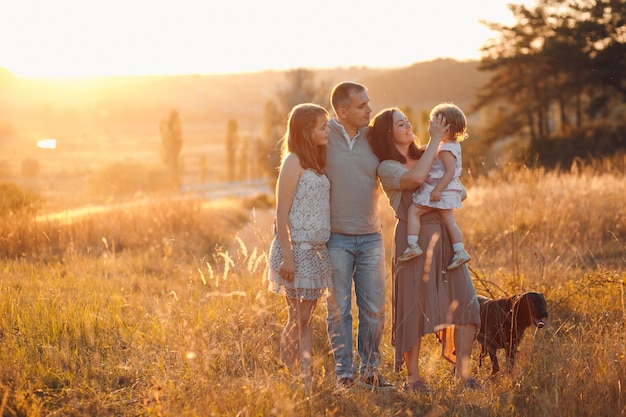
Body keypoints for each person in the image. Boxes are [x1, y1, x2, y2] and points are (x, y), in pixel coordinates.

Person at [367, 107, 481, 392]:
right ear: (387, 133)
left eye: (407, 121)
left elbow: (456, 184)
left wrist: (452, 188)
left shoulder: (428, 153)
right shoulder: (386, 167)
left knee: (466, 300)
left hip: (443, 235)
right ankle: (413, 378)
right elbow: (417, 179)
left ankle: (463, 373)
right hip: (412, 239)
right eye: (401, 123)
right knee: (412, 307)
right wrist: (434, 141)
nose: (408, 125)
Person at [324, 82, 393, 391]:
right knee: (338, 309)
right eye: (362, 106)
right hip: (335, 238)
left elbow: (404, 158)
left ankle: (370, 371)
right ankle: (345, 375)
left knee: (374, 310)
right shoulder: (323, 134)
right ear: (343, 111)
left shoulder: (375, 136)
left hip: (371, 237)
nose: (369, 109)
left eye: (369, 103)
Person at [267, 103, 333, 384]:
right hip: (295, 252)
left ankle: (307, 378)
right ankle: (289, 375)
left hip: (317, 253)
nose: (327, 131)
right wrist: (288, 258)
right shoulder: (293, 162)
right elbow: (281, 214)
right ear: (307, 131)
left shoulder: (316, 162)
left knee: (306, 321)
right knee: (298, 319)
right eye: (323, 126)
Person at [398, 102, 471, 271]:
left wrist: (437, 190)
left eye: (434, 123)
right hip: (445, 190)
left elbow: (450, 171)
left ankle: (412, 245)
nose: (430, 126)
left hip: (438, 190)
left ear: (445, 129)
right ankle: (459, 251)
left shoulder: (445, 150)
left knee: (413, 212)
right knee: (449, 221)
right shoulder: (448, 146)